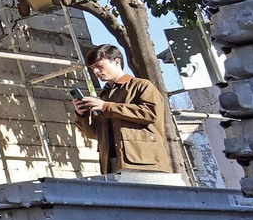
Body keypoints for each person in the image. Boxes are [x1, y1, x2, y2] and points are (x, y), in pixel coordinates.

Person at [72, 44, 178, 181]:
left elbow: (151, 113)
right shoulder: (103, 96)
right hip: (112, 165)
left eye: (99, 66)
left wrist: (107, 107)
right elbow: (93, 134)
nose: (96, 71)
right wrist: (82, 115)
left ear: (117, 61)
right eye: (92, 68)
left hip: (145, 163)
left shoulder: (142, 85)